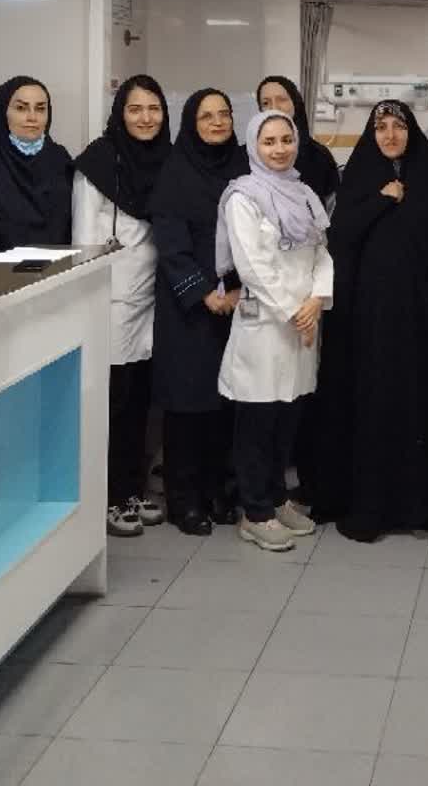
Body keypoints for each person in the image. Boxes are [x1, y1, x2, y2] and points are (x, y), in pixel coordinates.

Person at [314, 100, 428, 541]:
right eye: (381, 127)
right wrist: (381, 201)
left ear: (411, 132)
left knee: (417, 404)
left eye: (398, 127)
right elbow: (340, 238)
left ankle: (416, 505)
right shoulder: (359, 178)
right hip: (367, 319)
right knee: (374, 404)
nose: (390, 135)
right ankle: (374, 502)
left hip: (421, 318)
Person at [217, 108, 334, 552]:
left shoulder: (304, 194)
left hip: (303, 320)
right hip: (266, 323)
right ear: (254, 146)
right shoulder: (242, 197)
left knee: (288, 415)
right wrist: (294, 311)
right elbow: (253, 266)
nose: (280, 149)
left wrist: (316, 300)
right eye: (269, 142)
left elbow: (322, 252)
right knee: (257, 421)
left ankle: (277, 498)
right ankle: (255, 512)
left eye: (286, 140)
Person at [73, 76, 171, 539]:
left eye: (154, 109)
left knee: (141, 404)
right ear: (120, 113)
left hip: (155, 298)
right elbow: (82, 242)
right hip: (111, 299)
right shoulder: (97, 163)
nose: (146, 118)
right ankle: (108, 497)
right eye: (136, 109)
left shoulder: (169, 160)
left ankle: (132, 489)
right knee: (113, 401)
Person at [149, 89, 248, 535]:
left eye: (224, 114)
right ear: (191, 122)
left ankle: (219, 492)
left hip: (237, 302)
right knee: (188, 406)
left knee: (227, 404)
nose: (217, 122)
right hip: (187, 309)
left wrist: (240, 290)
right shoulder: (175, 173)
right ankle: (184, 501)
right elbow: (171, 245)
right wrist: (205, 293)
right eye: (206, 116)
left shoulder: (244, 168)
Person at [0, 77, 73, 255]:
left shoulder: (60, 160)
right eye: (21, 108)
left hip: (61, 269)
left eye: (40, 109)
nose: (32, 117)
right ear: (3, 112)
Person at [255, 75, 340, 208]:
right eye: (266, 103)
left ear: (295, 103)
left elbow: (332, 206)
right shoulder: (248, 155)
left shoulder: (319, 155)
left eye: (281, 100)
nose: (274, 107)